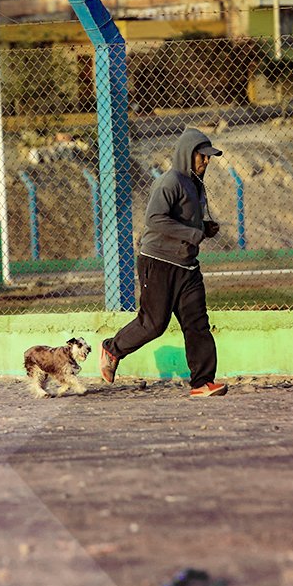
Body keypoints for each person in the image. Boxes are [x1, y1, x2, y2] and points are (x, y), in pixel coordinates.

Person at [99, 127, 227, 397]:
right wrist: (192, 233)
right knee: (154, 324)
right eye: (202, 156)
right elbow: (155, 219)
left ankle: (202, 383)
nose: (206, 161)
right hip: (158, 262)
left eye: (209, 157)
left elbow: (184, 221)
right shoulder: (170, 182)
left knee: (197, 324)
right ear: (186, 154)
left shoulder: (196, 184)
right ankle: (112, 349)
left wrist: (203, 228)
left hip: (187, 266)